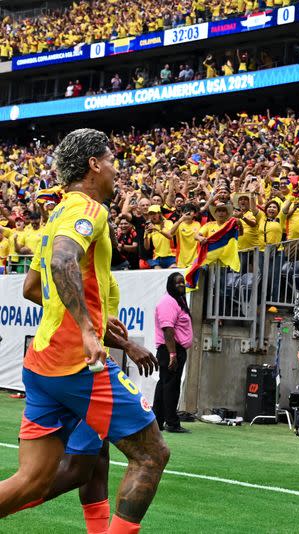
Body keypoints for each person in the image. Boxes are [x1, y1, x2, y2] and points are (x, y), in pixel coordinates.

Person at [0, 128, 170, 532]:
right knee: (151, 455)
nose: (116, 171)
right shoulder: (88, 209)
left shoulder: (56, 214)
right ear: (94, 165)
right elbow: (61, 264)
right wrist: (88, 330)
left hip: (41, 365)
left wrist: (90, 321)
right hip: (75, 362)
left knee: (34, 479)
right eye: (112, 161)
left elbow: (31, 287)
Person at [12, 226, 158, 532]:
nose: (115, 233)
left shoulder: (55, 231)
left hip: (51, 363)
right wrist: (127, 344)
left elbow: (30, 288)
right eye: (110, 232)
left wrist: (98, 324)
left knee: (95, 465)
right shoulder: (84, 228)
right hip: (82, 369)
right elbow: (81, 316)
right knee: (141, 456)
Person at [153, 273, 193, 433]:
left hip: (175, 350)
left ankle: (158, 420)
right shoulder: (168, 302)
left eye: (182, 282)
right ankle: (172, 422)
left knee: (165, 385)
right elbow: (168, 330)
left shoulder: (178, 300)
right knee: (170, 386)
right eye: (177, 283)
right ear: (170, 285)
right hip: (170, 350)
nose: (181, 285)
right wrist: (172, 355)